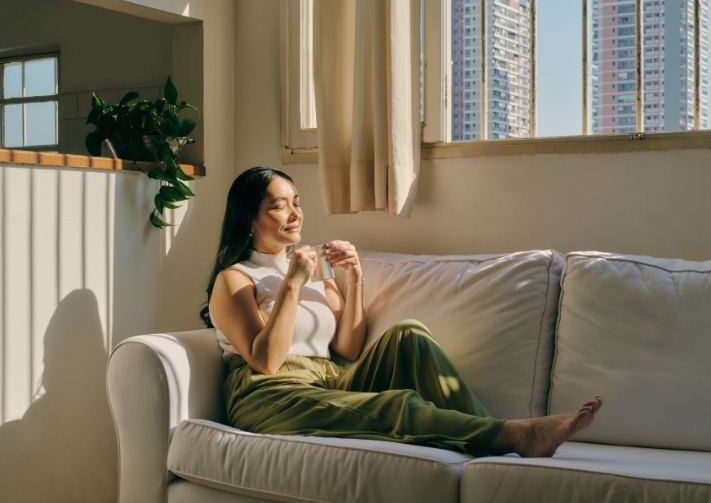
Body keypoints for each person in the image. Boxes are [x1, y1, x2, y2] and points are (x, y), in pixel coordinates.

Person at [201, 166, 602, 457]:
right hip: (270, 395)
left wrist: (353, 276)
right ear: (250, 219)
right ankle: (517, 437)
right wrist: (291, 283)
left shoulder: (310, 266)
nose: (295, 214)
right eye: (278, 206)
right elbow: (266, 361)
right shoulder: (235, 279)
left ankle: (491, 442)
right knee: (396, 404)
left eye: (297, 203)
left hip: (328, 380)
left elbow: (350, 347)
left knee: (408, 334)